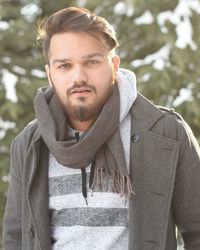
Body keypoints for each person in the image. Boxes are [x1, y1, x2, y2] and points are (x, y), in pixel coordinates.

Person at [2, 6, 200, 250]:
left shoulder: (166, 133)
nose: (79, 77)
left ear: (114, 66)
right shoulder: (30, 143)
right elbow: (15, 238)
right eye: (64, 65)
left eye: (92, 62)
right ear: (50, 73)